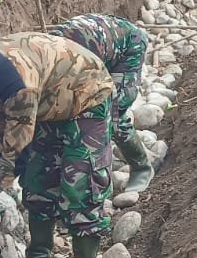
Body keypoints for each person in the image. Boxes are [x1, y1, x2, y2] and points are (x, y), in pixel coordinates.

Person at [0, 32, 114, 258]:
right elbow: (1, 132)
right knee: (37, 180)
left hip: (85, 95)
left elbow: (16, 149)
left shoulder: (16, 85)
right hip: (46, 103)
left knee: (80, 186)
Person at [48, 13, 156, 193]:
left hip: (128, 46)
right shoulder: (45, 57)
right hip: (100, 46)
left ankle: (141, 167)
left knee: (113, 113)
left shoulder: (72, 61)